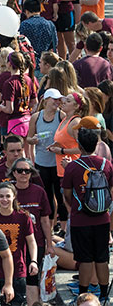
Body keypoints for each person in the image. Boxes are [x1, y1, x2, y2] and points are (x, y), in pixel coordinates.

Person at [63, 127, 113, 300]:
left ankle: (84, 294)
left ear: (79, 145)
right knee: (102, 258)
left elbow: (67, 194)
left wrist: (76, 205)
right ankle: (105, 294)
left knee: (85, 259)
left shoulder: (72, 167)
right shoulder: (106, 164)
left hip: (80, 219)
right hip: (102, 218)